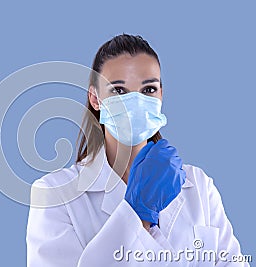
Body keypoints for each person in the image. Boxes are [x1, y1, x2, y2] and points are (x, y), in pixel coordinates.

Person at [26, 34, 248, 266]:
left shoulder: (199, 185)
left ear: (161, 94)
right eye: (119, 91)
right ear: (95, 99)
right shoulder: (55, 195)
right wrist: (137, 214)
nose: (136, 102)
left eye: (148, 89)